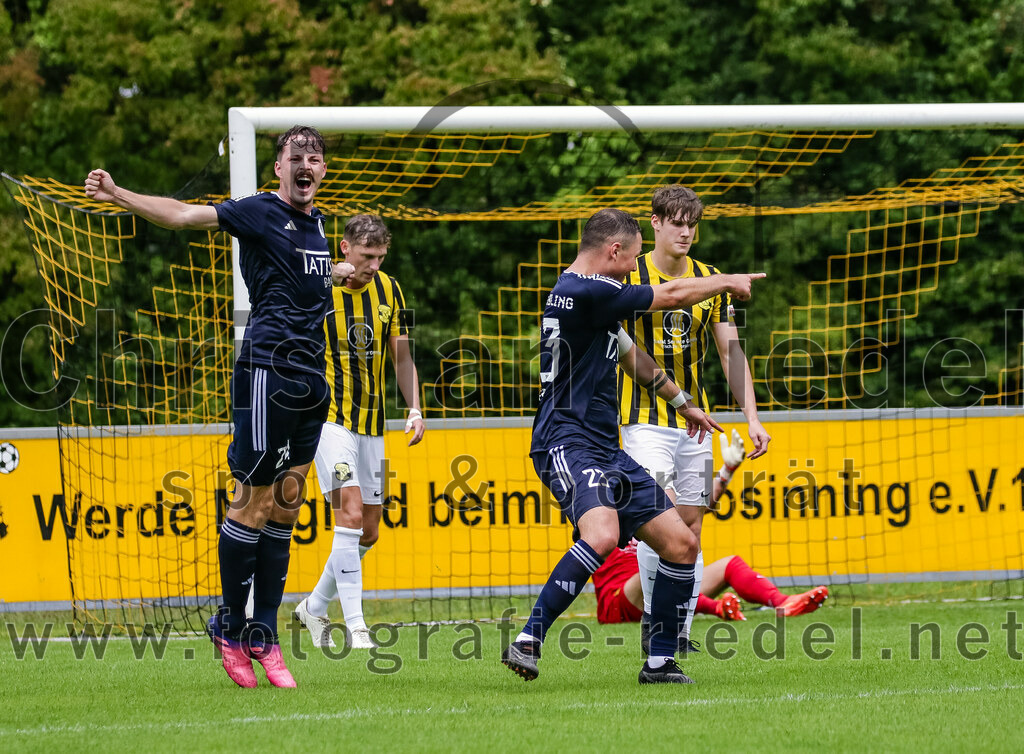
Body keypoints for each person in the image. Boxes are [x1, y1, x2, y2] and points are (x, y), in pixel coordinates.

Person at [85, 126, 354, 689]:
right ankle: (230, 628)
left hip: (311, 378)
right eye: (295, 157)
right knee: (251, 504)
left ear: (323, 170)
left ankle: (264, 633)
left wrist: (337, 275)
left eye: (315, 158)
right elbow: (183, 217)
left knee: (286, 506)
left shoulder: (319, 226)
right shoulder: (257, 211)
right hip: (266, 373)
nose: (306, 165)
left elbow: (301, 286)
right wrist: (120, 194)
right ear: (278, 168)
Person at [500, 208, 765, 685]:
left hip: (604, 447)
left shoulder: (593, 299)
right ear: (614, 251)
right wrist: (726, 280)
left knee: (682, 544)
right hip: (566, 440)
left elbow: (631, 356)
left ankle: (660, 661)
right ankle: (529, 639)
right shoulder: (587, 290)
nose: (633, 269)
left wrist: (681, 401)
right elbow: (672, 293)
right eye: (633, 258)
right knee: (601, 535)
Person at [618, 184, 771, 652]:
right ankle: (655, 625)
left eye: (691, 224)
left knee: (691, 525)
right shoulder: (631, 275)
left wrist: (753, 417)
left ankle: (678, 634)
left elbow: (730, 350)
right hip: (642, 417)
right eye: (676, 222)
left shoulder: (710, 279)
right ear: (656, 224)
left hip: (696, 421)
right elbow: (661, 303)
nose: (684, 231)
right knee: (656, 518)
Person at [293, 214, 424, 650]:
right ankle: (358, 628)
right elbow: (285, 302)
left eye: (381, 257)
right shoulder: (318, 285)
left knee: (368, 531)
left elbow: (402, 356)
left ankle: (313, 606)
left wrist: (415, 407)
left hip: (372, 423)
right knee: (347, 513)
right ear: (345, 249)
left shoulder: (391, 289)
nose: (374, 264)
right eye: (367, 256)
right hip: (327, 418)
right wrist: (326, 274)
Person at [594, 431, 829, 626]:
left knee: (729, 564)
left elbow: (695, 511)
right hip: (617, 600)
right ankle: (717, 608)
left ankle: (782, 601)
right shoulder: (601, 497)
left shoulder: (649, 492)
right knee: (660, 568)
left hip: (653, 585)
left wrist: (727, 470)